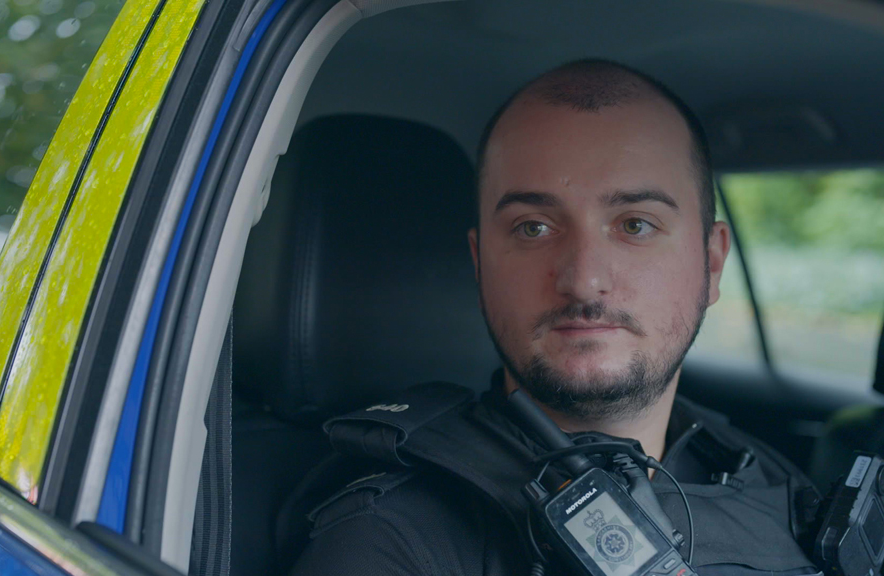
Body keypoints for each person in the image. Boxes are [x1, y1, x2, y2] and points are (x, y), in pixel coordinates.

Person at [290, 59, 820, 575]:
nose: (583, 280)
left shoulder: (778, 490)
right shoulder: (394, 543)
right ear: (480, 265)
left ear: (711, 262)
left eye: (635, 225)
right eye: (533, 228)